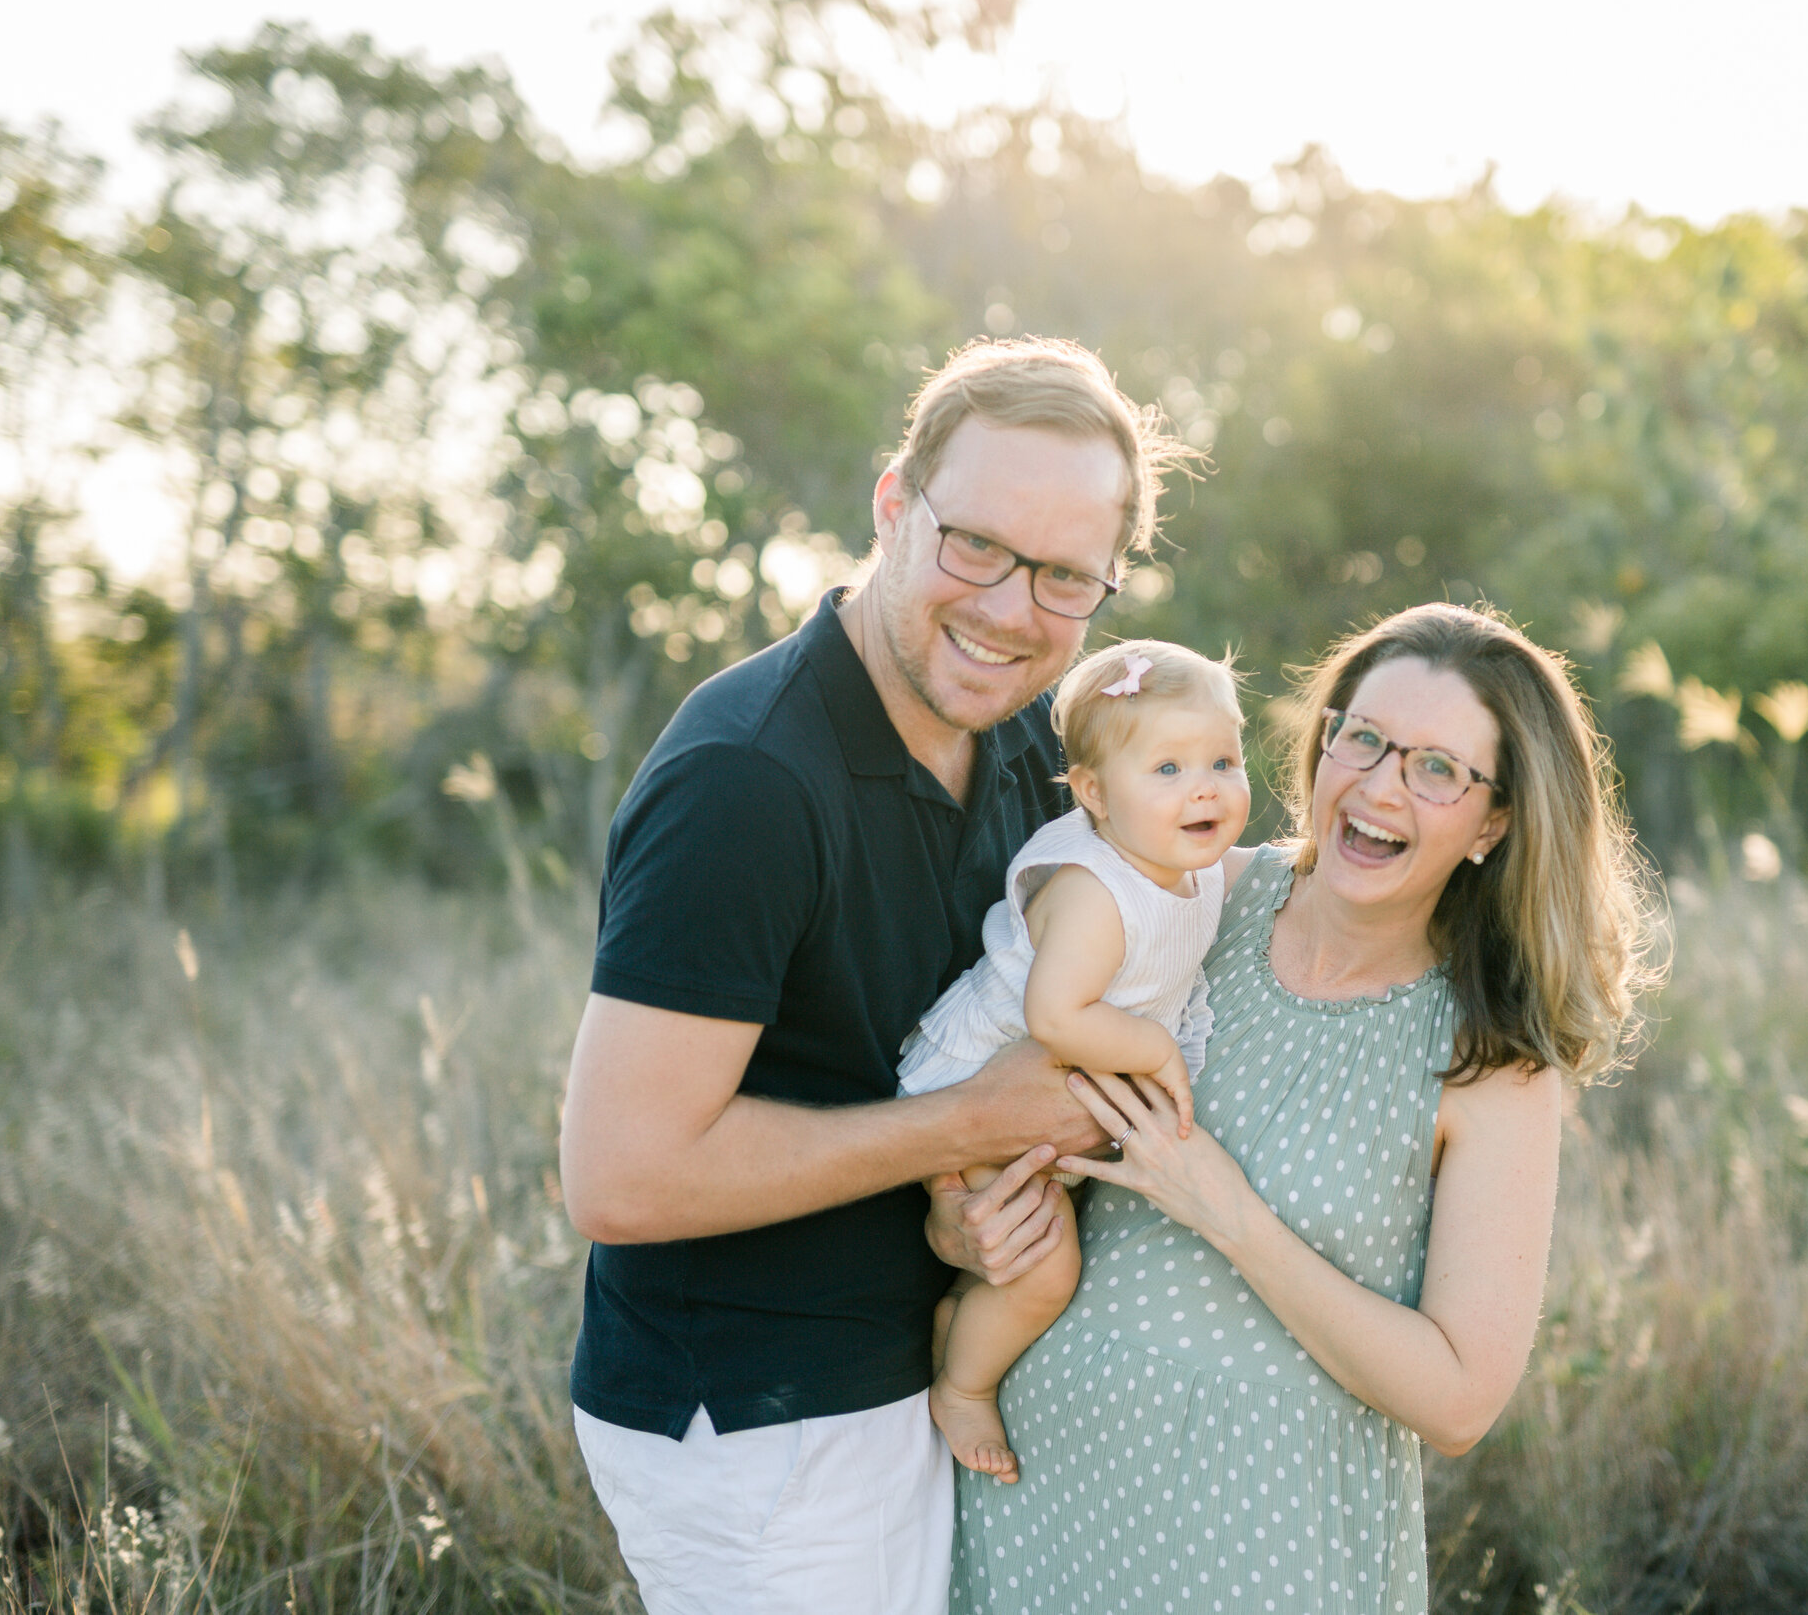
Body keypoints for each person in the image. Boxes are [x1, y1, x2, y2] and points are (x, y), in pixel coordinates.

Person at [556, 336, 1194, 1614]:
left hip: (915, 1365)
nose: (1013, 609)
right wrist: (966, 1126)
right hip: (755, 1418)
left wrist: (964, 1203)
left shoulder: (1025, 735)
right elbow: (619, 1174)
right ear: (893, 505)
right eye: (976, 546)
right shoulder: (745, 779)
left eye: (1066, 577)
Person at [948, 602, 1662, 1615]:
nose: (1377, 785)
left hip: (1266, 1552)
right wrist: (959, 1218)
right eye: (1362, 737)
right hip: (1037, 1518)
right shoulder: (1188, 897)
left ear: (1492, 822)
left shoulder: (1488, 1059)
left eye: (1436, 769)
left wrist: (1227, 1211)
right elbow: (984, 1087)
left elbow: (1458, 1399)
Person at [900, 640, 1248, 1483]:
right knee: (1047, 1268)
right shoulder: (1096, 889)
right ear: (1093, 791)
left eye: (1223, 760)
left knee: (1033, 1250)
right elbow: (1054, 1016)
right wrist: (1154, 1046)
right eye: (1166, 767)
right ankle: (963, 1383)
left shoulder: (1183, 861)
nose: (1204, 786)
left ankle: (964, 1318)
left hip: (1038, 1093)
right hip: (973, 1082)